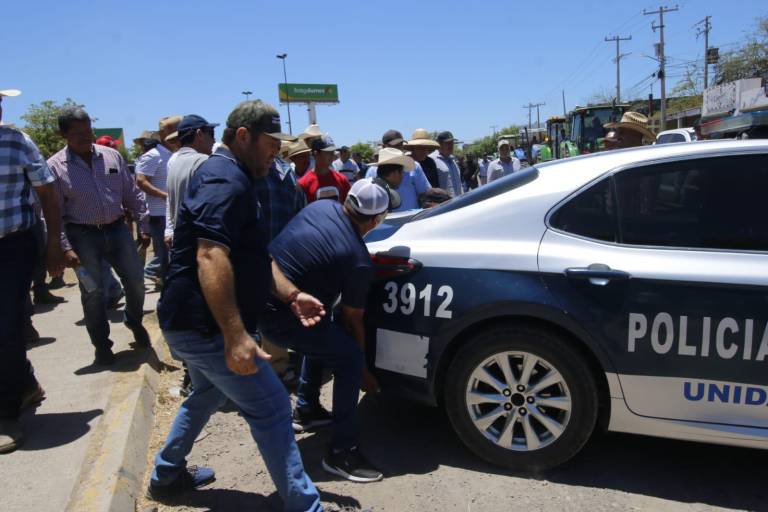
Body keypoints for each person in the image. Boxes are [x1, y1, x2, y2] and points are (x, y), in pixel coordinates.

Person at [149, 100, 322, 510]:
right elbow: (211, 254)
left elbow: (255, 257)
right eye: (270, 143)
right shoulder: (225, 180)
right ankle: (305, 505)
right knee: (274, 406)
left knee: (206, 394)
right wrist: (235, 335)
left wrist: (292, 294)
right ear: (243, 136)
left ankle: (166, 475)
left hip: (194, 324)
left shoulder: (241, 176)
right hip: (202, 327)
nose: (275, 151)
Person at [261, 178, 390, 483]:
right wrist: (363, 371)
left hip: (263, 293)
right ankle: (342, 451)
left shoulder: (322, 206)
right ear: (375, 221)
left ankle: (307, 410)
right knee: (346, 356)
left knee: (324, 329)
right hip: (282, 316)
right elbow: (353, 319)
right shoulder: (357, 259)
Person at [47, 107, 152, 366]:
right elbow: (54, 213)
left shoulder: (111, 156)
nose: (85, 136)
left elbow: (132, 193)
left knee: (137, 282)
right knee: (93, 293)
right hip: (82, 236)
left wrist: (144, 224)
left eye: (88, 131)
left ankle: (134, 321)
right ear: (64, 134)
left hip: (117, 230)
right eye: (77, 133)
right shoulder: (55, 167)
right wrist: (64, 247)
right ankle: (102, 347)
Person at [1, 88, 66, 453]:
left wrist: (54, 243)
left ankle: (7, 412)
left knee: (6, 327)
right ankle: (24, 383)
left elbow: (47, 192)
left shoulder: (16, 142)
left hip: (11, 245)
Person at [135, 115, 181, 288]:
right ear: (163, 133)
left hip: (174, 214)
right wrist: (165, 196)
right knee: (166, 261)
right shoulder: (153, 155)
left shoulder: (175, 153)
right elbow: (141, 181)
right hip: (160, 215)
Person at [163, 114, 217, 247]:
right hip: (201, 243)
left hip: (182, 240)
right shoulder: (203, 161)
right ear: (199, 134)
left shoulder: (174, 162)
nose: (214, 140)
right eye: (211, 134)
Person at [298, 135, 351, 203]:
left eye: (333, 152)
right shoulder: (303, 184)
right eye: (328, 152)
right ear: (316, 154)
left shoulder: (342, 180)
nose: (332, 155)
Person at [430, 131, 463, 197]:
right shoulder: (432, 159)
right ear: (439, 144)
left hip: (458, 201)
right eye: (448, 143)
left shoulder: (452, 160)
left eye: (452, 143)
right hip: (444, 204)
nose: (451, 145)